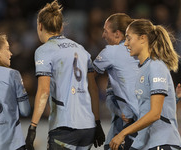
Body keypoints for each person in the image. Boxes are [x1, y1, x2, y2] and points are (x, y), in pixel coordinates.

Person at [25, 0, 105, 150]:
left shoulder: (44, 50)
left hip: (65, 127)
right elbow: (93, 89)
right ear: (61, 27)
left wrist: (32, 127)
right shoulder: (81, 49)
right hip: (88, 126)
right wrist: (98, 122)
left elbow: (44, 91)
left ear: (40, 26)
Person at [109, 19, 181, 150]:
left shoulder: (156, 67)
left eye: (129, 39)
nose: (125, 43)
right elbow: (152, 107)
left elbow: (155, 114)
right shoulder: (143, 68)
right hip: (144, 142)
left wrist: (123, 133)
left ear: (142, 38)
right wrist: (173, 99)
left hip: (161, 142)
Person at [93, 13, 139, 150]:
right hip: (146, 124)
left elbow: (86, 76)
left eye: (105, 31)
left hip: (132, 126)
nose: (103, 35)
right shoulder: (147, 53)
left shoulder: (111, 52)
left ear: (118, 34)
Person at [0, 34, 31, 150]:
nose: (11, 54)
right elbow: (25, 110)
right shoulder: (12, 74)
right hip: (12, 143)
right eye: (7, 49)